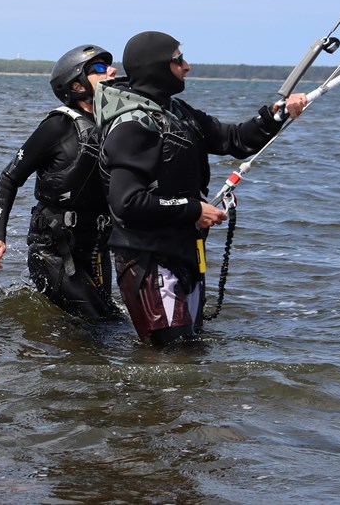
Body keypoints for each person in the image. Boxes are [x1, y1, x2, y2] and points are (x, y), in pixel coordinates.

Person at [95, 31, 307, 346]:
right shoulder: (131, 125)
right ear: (156, 66)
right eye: (178, 59)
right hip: (149, 259)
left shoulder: (178, 111)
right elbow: (126, 203)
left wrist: (278, 113)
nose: (187, 66)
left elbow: (235, 139)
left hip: (184, 252)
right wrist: (194, 209)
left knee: (191, 352)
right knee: (174, 355)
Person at [0, 44, 123, 320]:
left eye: (109, 65)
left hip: (96, 250)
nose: (112, 70)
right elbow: (9, 178)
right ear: (77, 85)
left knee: (111, 322)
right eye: (99, 68)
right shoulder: (58, 127)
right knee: (97, 324)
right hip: (53, 252)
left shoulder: (115, 126)